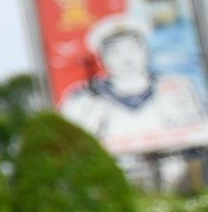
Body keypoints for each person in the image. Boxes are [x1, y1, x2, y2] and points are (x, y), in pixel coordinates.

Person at [60, 15, 207, 143]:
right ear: (101, 58)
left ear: (146, 50)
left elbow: (199, 134)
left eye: (132, 48)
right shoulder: (83, 99)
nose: (126, 58)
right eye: (115, 51)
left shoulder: (177, 87)